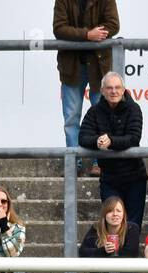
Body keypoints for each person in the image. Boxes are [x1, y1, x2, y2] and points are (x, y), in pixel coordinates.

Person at [54, 0, 120, 175]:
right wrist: (87, 35)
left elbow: (113, 25)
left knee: (102, 116)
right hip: (71, 66)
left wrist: (93, 34)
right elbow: (59, 29)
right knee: (71, 117)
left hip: (100, 66)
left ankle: (100, 162)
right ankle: (73, 162)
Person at [80, 72, 148, 227]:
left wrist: (110, 141)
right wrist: (97, 141)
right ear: (102, 91)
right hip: (109, 178)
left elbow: (133, 138)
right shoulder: (94, 111)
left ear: (124, 89)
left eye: (117, 87)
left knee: (132, 225)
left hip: (134, 177)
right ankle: (113, 251)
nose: (113, 91)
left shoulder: (134, 108)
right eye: (109, 88)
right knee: (111, 224)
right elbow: (83, 137)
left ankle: (129, 252)